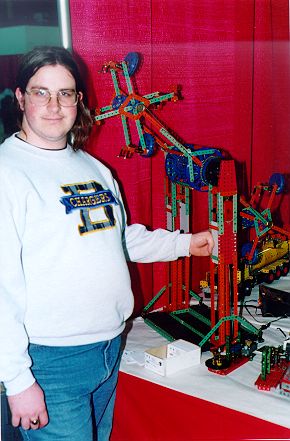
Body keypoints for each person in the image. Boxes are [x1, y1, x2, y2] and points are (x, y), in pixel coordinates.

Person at [0, 46, 214, 441]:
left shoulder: (93, 168)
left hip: (108, 347)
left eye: (64, 93)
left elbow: (116, 238)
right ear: (20, 97)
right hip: (50, 363)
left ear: (79, 100)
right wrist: (16, 379)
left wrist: (188, 244)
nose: (53, 104)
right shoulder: (7, 172)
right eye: (40, 92)